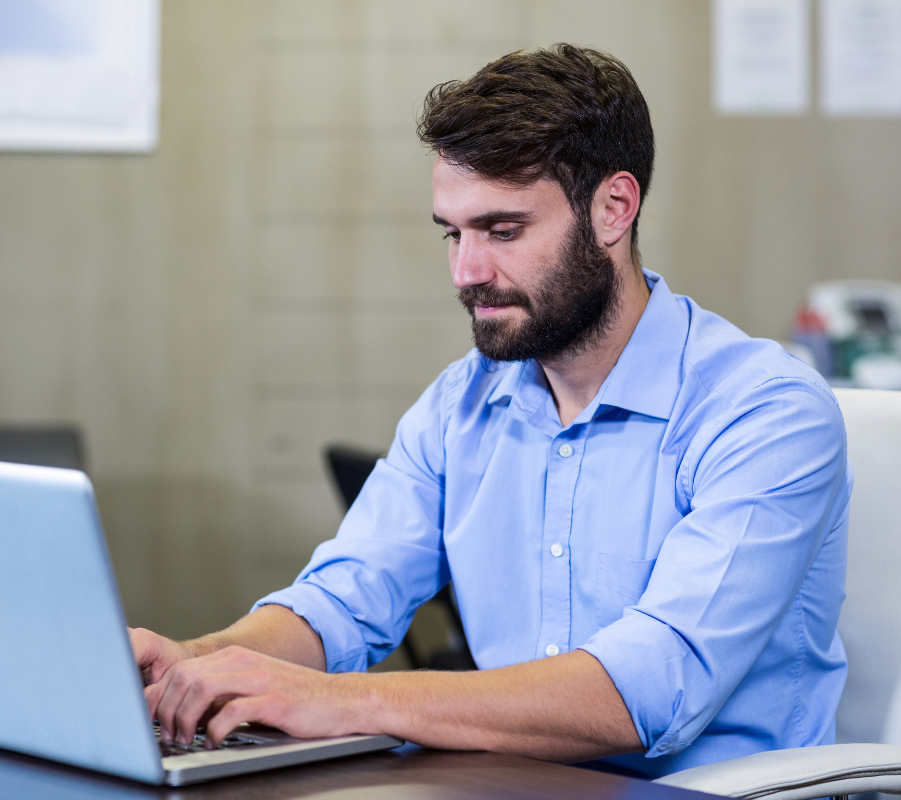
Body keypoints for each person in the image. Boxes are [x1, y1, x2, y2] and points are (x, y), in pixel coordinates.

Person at [130, 44, 850, 778]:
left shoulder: (766, 412)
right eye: (453, 232)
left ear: (613, 209)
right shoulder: (460, 406)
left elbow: (653, 685)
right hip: (509, 785)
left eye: (502, 231)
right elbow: (345, 600)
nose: (466, 273)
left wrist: (341, 701)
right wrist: (197, 661)